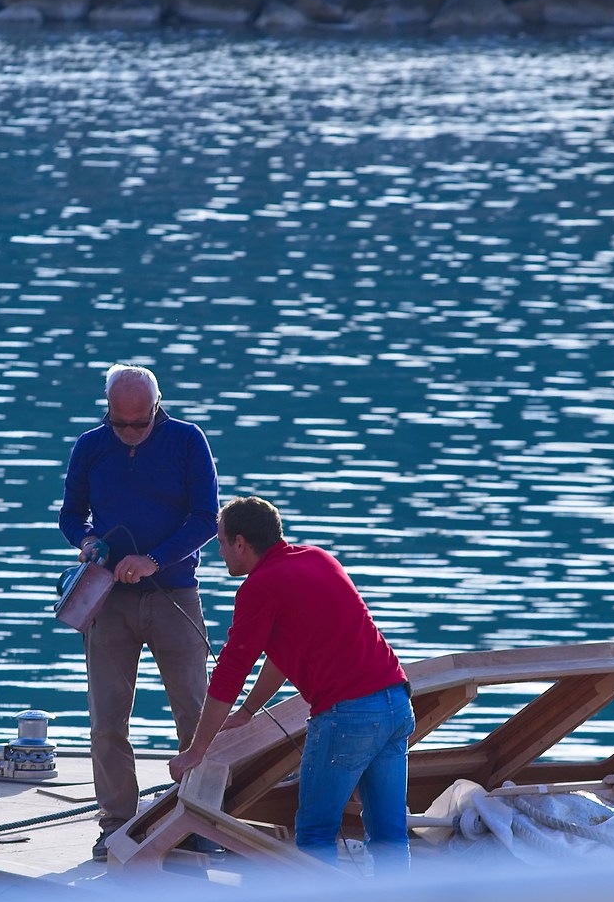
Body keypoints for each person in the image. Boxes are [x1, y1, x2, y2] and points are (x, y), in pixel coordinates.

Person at [175, 496, 412, 873]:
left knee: (315, 835)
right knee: (389, 835)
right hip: (397, 703)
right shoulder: (318, 558)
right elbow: (282, 656)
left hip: (347, 715)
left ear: (240, 542)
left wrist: (195, 751)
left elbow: (231, 671)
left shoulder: (259, 587)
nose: (218, 552)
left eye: (220, 542)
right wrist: (248, 712)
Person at [57, 364, 219, 857]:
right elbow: (70, 516)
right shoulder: (90, 445)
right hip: (109, 603)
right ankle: (115, 825)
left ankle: (204, 819)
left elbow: (206, 518)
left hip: (175, 596)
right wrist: (87, 542)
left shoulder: (188, 442)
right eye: (119, 422)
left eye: (139, 423)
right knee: (107, 721)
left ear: (156, 408)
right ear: (107, 410)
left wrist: (153, 560)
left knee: (195, 716)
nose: (128, 432)